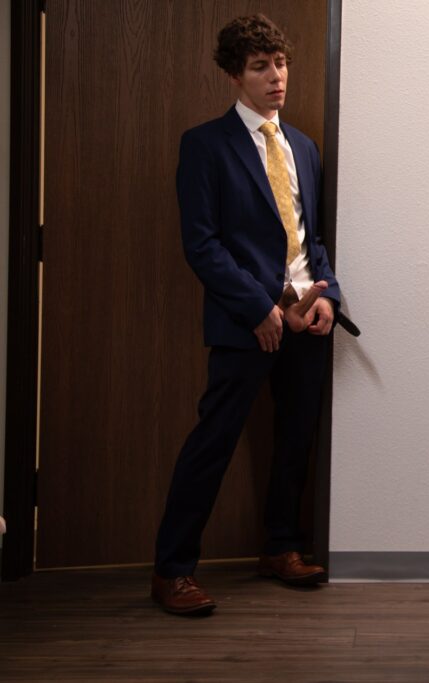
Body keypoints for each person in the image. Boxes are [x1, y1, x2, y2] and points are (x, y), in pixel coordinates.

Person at [152, 14, 359, 616]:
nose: (276, 77)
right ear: (234, 75)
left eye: (281, 63)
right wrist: (260, 307)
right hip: (248, 322)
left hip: (308, 319)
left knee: (295, 438)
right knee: (212, 441)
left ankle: (280, 547)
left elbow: (312, 238)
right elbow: (202, 244)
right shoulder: (205, 145)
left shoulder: (304, 147)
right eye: (261, 66)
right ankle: (172, 571)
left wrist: (328, 295)